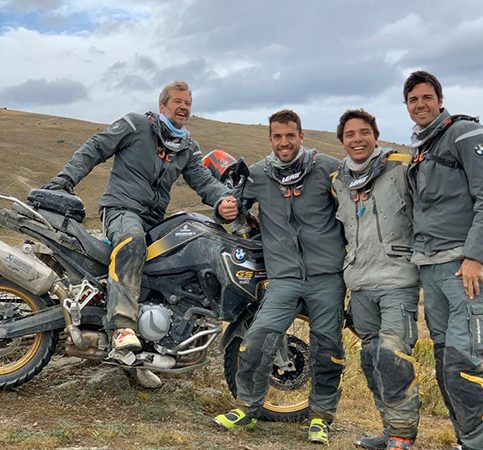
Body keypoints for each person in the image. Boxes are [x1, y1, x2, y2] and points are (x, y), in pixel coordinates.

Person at [42, 81, 238, 385]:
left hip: (154, 220)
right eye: (177, 102)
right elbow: (95, 148)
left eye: (188, 103)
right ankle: (122, 327)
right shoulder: (136, 125)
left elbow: (204, 181)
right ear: (162, 105)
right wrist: (64, 180)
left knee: (168, 268)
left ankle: (144, 350)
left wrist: (223, 200)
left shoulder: (186, 147)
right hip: (121, 210)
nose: (184, 107)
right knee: (132, 242)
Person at [213, 109, 347, 445]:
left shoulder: (327, 167)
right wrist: (223, 209)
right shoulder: (259, 174)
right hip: (284, 278)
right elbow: (233, 207)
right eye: (277, 136)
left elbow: (354, 205)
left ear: (301, 136)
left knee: (327, 349)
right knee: (256, 341)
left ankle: (320, 418)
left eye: (290, 136)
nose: (283, 143)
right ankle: (247, 409)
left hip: (327, 276)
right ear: (270, 139)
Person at [403, 71, 483, 450]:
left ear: (440, 99)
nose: (420, 104)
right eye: (413, 99)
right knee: (445, 364)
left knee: (462, 365)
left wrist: (475, 257)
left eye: (426, 97)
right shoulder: (423, 145)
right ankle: (468, 441)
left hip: (463, 269)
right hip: (432, 266)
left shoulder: (464, 133)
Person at [331, 109, 420, 450]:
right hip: (361, 283)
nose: (357, 139)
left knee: (392, 357)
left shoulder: (400, 168)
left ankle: (402, 435)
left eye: (364, 132)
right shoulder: (338, 181)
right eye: (350, 134)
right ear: (342, 141)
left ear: (375, 135)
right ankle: (389, 429)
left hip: (398, 280)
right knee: (371, 360)